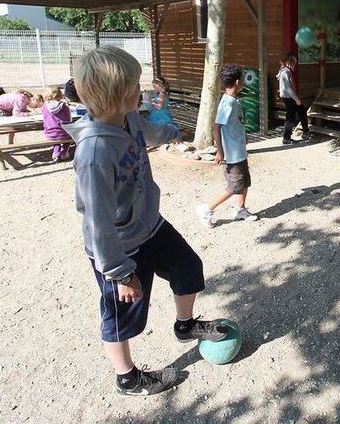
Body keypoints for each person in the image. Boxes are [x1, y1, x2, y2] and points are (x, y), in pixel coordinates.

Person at [65, 45, 228, 397]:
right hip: (118, 249)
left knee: (188, 267)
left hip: (150, 225)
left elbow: (146, 133)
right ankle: (127, 378)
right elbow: (98, 221)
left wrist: (168, 131)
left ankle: (185, 326)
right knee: (124, 314)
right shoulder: (94, 152)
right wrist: (120, 273)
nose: (140, 90)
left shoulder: (127, 118)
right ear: (118, 94)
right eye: (135, 85)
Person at [195, 64, 259, 228]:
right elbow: (217, 127)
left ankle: (241, 209)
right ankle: (207, 209)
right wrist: (220, 152)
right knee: (233, 186)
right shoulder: (228, 104)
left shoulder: (234, 100)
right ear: (238, 82)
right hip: (232, 153)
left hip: (239, 150)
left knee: (245, 181)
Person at [277, 54, 310, 145]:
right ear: (290, 63)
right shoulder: (286, 72)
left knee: (302, 111)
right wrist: (296, 99)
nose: (295, 65)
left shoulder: (284, 70)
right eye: (294, 63)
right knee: (290, 118)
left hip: (288, 97)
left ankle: (306, 132)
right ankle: (286, 138)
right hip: (289, 97)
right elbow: (288, 88)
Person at [41, 85, 73, 162]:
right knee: (70, 135)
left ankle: (56, 152)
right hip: (63, 132)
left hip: (50, 133)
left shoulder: (45, 106)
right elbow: (69, 120)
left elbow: (44, 120)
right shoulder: (64, 106)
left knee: (55, 136)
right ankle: (64, 152)